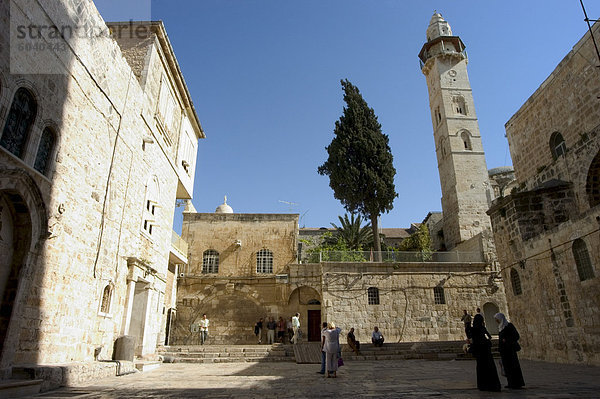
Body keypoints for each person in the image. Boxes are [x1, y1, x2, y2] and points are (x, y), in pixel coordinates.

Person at [468, 314, 501, 392]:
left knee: (481, 370)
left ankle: (483, 385)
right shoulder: (482, 329)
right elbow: (488, 338)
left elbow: (473, 340)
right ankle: (493, 385)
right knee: (490, 369)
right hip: (486, 353)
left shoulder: (474, 330)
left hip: (480, 354)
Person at [495, 312, 525, 389]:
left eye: (497, 319)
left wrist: (507, 340)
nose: (496, 321)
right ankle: (510, 382)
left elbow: (516, 336)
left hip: (510, 351)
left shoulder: (509, 326)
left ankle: (517, 383)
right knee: (507, 367)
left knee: (513, 366)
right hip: (504, 351)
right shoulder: (501, 327)